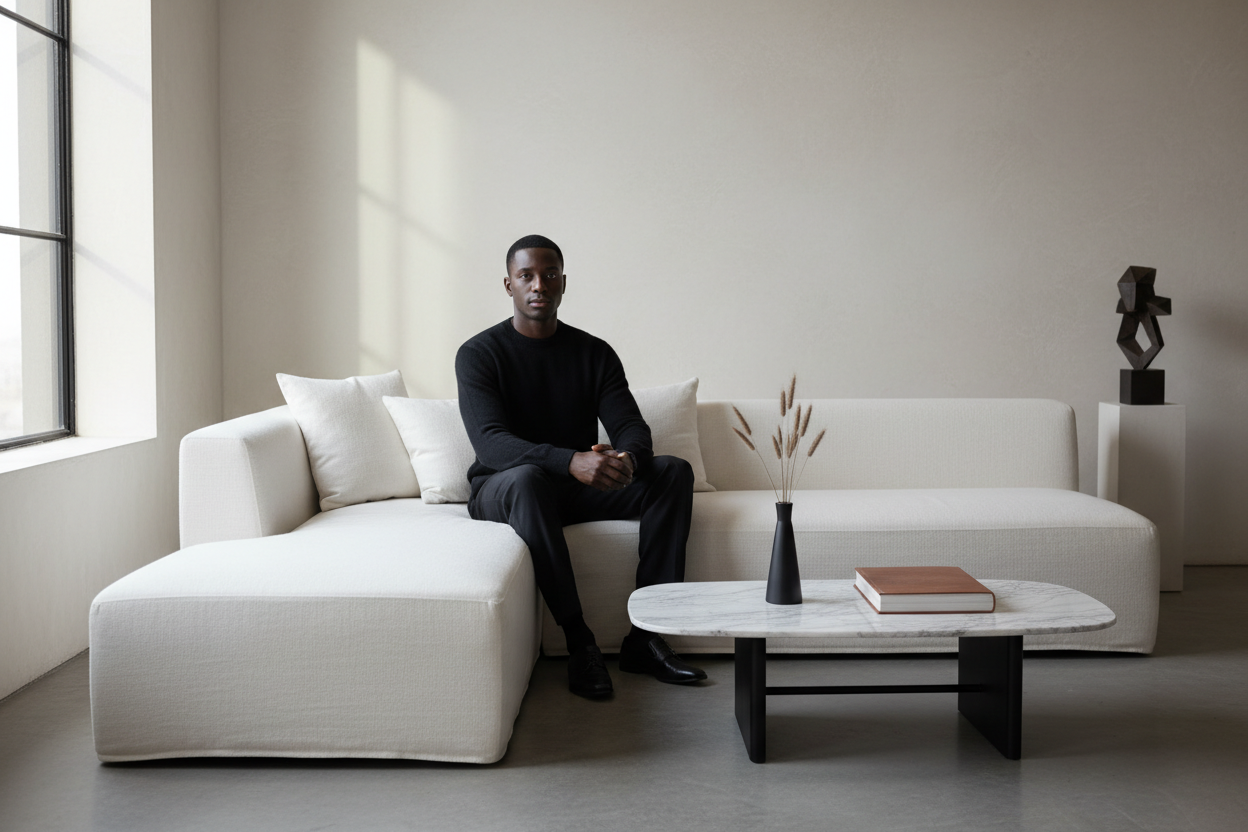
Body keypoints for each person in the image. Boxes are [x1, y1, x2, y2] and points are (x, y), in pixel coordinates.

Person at [455, 234, 707, 699]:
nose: (539, 285)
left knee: (672, 471)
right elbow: (491, 445)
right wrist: (570, 460)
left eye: (549, 275)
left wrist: (625, 460)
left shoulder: (593, 353)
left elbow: (631, 426)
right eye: (526, 276)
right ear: (507, 285)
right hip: (504, 488)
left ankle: (647, 638)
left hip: (572, 487)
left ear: (564, 283)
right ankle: (579, 642)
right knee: (529, 478)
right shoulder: (479, 354)